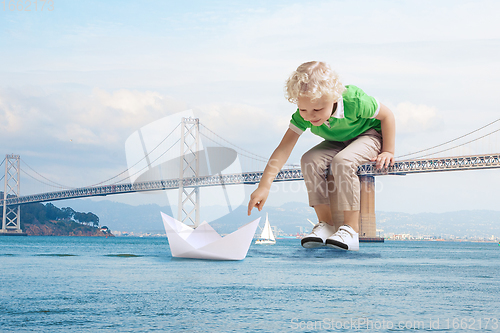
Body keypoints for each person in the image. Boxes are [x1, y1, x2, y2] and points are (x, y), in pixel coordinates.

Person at [247, 61, 395, 251]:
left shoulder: (354, 101)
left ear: (334, 97)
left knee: (343, 161)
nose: (310, 117)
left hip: (369, 137)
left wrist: (388, 150)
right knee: (309, 160)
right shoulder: (305, 115)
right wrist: (264, 186)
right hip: (338, 141)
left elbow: (387, 116)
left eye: (317, 110)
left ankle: (351, 230)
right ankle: (326, 224)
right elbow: (284, 148)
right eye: (303, 110)